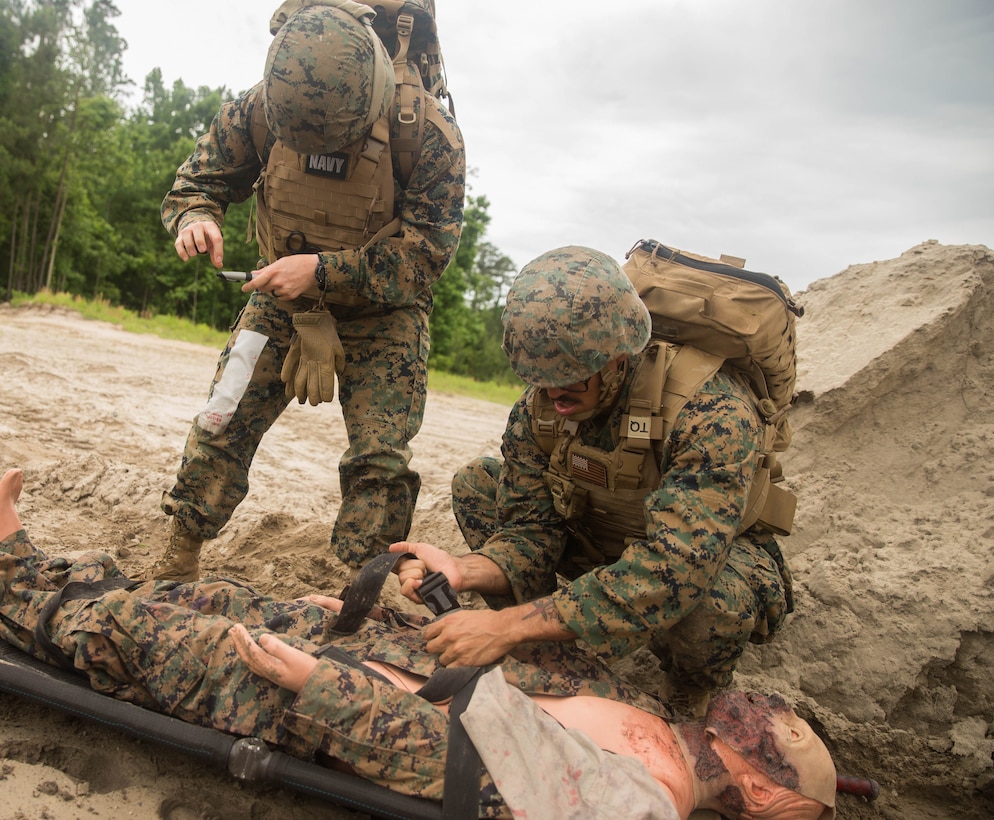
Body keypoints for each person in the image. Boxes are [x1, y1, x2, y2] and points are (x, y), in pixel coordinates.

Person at [0, 467, 834, 819]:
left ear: (765, 796)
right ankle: (30, 567)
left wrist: (318, 683)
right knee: (208, 594)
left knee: (139, 637)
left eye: (790, 742)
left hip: (328, 703)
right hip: (376, 666)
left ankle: (9, 574)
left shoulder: (634, 801)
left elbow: (449, 763)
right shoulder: (657, 730)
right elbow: (519, 676)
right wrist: (391, 622)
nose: (781, 714)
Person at [390, 246, 795, 718]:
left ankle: (687, 687)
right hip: (603, 538)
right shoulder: (540, 406)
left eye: (571, 379)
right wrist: (467, 570)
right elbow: (530, 533)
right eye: (538, 379)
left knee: (715, 604)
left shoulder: (711, 411)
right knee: (477, 484)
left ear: (619, 357)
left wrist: (507, 626)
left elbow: (675, 571)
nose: (553, 395)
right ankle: (549, 645)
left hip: (699, 559)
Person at [148, 2, 465, 581]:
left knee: (381, 462)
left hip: (382, 311)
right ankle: (180, 551)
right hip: (279, 295)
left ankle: (357, 587)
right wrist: (197, 216)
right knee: (223, 417)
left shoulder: (428, 135)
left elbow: (426, 256)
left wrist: (322, 272)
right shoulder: (264, 105)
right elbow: (199, 179)